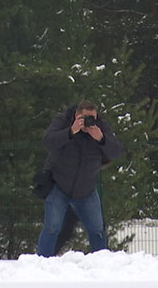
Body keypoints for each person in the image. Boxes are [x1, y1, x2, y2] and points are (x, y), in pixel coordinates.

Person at [36, 100, 124, 257]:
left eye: (93, 118)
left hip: (87, 189)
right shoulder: (63, 121)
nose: (89, 122)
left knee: (97, 230)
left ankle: (101, 263)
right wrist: (70, 131)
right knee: (51, 227)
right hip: (59, 184)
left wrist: (101, 138)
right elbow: (47, 141)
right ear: (77, 115)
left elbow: (116, 152)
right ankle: (42, 263)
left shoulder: (100, 127)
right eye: (85, 118)